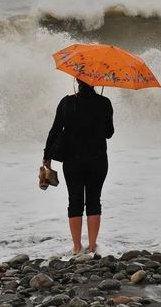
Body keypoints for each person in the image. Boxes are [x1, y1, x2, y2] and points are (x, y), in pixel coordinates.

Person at [43, 79, 114, 255]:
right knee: (94, 202)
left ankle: (76, 247)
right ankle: (91, 246)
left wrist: (47, 156)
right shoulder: (104, 103)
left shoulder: (67, 102)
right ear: (96, 82)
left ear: (76, 80)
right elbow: (109, 133)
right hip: (97, 160)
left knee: (74, 202)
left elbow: (55, 130)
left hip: (72, 160)